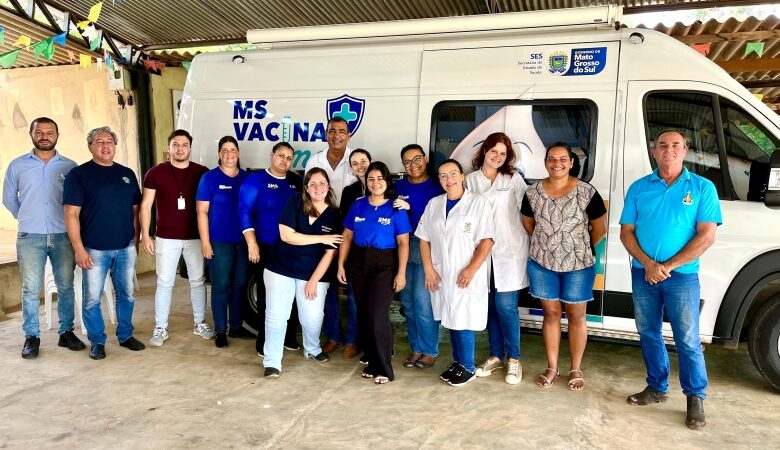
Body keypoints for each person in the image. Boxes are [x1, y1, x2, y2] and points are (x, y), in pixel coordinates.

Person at [620, 130, 721, 430]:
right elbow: (626, 232)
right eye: (662, 145)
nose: (669, 149)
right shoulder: (639, 187)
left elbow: (707, 235)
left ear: (685, 151)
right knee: (648, 332)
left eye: (676, 145)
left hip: (682, 277)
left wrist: (667, 266)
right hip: (644, 274)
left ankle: (695, 397)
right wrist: (649, 264)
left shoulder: (702, 187)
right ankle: (657, 387)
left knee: (687, 338)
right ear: (654, 151)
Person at [520, 142, 606, 391]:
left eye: (562, 159)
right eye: (552, 159)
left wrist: (576, 248)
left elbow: (599, 229)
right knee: (551, 315)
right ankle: (552, 367)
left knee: (577, 316)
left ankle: (575, 369)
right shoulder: (532, 192)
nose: (557, 163)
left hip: (579, 265)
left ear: (571, 163)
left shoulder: (587, 192)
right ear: (545, 162)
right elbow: (528, 224)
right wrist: (550, 246)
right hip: (542, 263)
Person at [2, 117, 85, 358]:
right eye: (39, 132)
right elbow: (9, 198)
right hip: (30, 236)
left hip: (63, 234)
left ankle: (66, 332)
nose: (44, 136)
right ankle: (32, 337)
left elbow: (77, 200)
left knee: (66, 286)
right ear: (31, 134)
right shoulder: (17, 165)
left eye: (50, 132)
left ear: (57, 135)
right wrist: (27, 216)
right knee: (30, 289)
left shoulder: (70, 166)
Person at [63, 126, 145, 359]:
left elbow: (135, 211)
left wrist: (135, 241)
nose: (105, 146)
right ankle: (97, 341)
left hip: (125, 247)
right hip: (94, 249)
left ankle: (126, 335)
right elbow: (71, 214)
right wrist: (79, 249)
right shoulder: (78, 175)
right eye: (99, 142)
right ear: (90, 146)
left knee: (126, 294)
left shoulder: (127, 174)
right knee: (92, 298)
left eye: (109, 141)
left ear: (115, 146)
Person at [416, 159, 494, 387]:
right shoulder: (434, 204)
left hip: (467, 273)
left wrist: (471, 269)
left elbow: (487, 241)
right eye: (443, 176)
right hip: (441, 273)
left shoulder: (478, 203)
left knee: (463, 319)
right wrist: (428, 269)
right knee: (450, 317)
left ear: (462, 176)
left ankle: (468, 367)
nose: (448, 179)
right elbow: (424, 239)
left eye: (452, 174)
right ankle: (458, 362)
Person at [262, 168, 343, 378]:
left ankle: (312, 348)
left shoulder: (334, 215)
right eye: (312, 184)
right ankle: (272, 361)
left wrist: (313, 281)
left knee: (312, 318)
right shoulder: (295, 202)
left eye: (322, 183)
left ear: (328, 186)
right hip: (280, 267)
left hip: (313, 273)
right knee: (277, 316)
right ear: (306, 188)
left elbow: (330, 253)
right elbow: (287, 236)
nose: (318, 187)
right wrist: (321, 238)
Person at [338, 161, 411, 385]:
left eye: (380, 178)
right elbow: (347, 236)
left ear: (387, 181)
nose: (375, 183)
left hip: (384, 264)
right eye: (371, 179)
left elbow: (403, 243)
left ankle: (384, 368)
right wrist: (341, 264)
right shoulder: (358, 205)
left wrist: (401, 273)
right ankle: (371, 361)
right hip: (359, 263)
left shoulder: (396, 208)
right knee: (363, 314)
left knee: (378, 316)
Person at [465, 133, 529, 385]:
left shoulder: (512, 179)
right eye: (494, 151)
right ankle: (495, 355)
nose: (498, 157)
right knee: (490, 305)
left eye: (503, 154)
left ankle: (514, 358)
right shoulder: (470, 180)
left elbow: (528, 211)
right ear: (484, 151)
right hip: (481, 253)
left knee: (505, 306)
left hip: (510, 251)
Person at [140, 129, 213, 347]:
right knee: (164, 282)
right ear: (169, 147)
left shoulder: (202, 172)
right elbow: (146, 205)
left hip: (195, 237)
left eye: (184, 145)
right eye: (176, 144)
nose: (180, 149)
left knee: (197, 280)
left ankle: (200, 323)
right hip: (166, 237)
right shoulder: (155, 173)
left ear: (190, 148)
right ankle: (160, 327)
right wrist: (146, 235)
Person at [239, 142, 303, 355]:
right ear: (272, 155)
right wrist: (252, 243)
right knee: (267, 295)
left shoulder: (295, 181)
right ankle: (264, 341)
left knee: (292, 294)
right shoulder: (255, 180)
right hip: (265, 247)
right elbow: (244, 211)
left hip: (292, 248)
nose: (285, 160)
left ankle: (288, 336)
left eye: (289, 158)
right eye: (281, 155)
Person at [304, 116, 358, 354]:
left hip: (351, 229)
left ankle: (353, 339)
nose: (337, 135)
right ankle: (334, 335)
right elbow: (308, 194)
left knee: (352, 286)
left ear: (349, 135)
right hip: (324, 226)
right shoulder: (315, 160)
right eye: (332, 131)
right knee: (327, 286)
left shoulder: (355, 160)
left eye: (342, 131)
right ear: (326, 134)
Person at [196, 136, 250, 348]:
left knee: (239, 284)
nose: (229, 154)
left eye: (232, 149)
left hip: (243, 242)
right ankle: (220, 330)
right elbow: (201, 212)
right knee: (220, 286)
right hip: (219, 242)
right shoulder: (209, 178)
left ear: (238, 153)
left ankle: (236, 326)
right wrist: (205, 242)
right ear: (219, 153)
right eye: (225, 150)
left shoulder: (247, 178)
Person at [394, 144, 443, 370]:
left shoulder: (437, 186)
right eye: (407, 161)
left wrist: (410, 208)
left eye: (416, 159)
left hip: (426, 248)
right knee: (408, 303)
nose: (412, 165)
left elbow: (439, 221)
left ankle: (429, 350)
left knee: (424, 303)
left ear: (425, 159)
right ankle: (416, 348)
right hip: (403, 247)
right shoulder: (398, 186)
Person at [336, 148, 372, 359]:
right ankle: (352, 341)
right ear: (351, 168)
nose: (360, 166)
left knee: (377, 302)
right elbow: (346, 228)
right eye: (355, 163)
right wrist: (342, 259)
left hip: (381, 253)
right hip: (356, 253)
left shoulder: (385, 186)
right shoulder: (350, 192)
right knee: (354, 299)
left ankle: (376, 343)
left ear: (371, 161)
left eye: (363, 161)